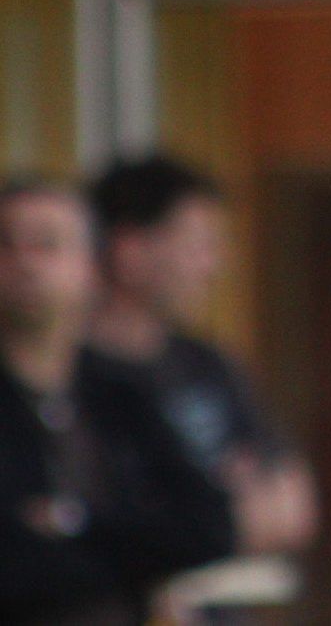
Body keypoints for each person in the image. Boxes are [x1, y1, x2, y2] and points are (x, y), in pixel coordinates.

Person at [0, 177, 234, 624]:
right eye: (5, 245)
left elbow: (209, 527)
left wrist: (75, 522)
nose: (24, 263)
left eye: (46, 245)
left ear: (91, 265)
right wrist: (136, 557)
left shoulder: (119, 397)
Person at [88, 155, 316, 569]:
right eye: (198, 246)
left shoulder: (209, 365)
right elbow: (100, 534)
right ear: (131, 250)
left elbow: (294, 508)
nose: (213, 268)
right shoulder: (74, 380)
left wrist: (184, 525)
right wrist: (223, 507)